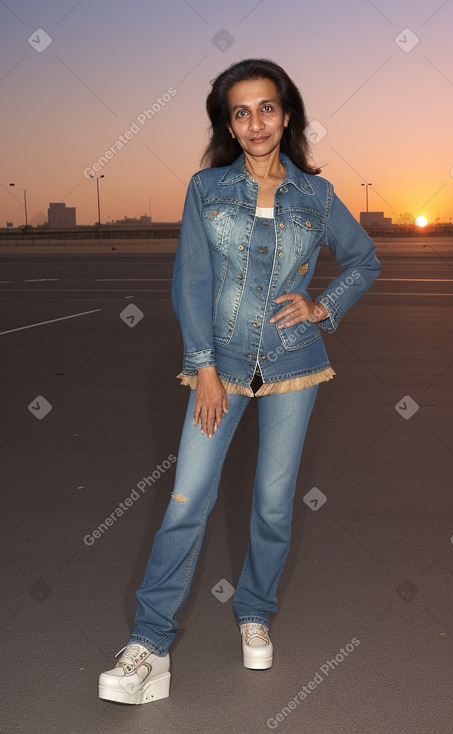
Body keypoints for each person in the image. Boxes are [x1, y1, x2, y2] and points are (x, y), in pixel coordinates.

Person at [98, 58, 380, 705]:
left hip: (295, 364)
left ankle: (253, 611)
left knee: (274, 505)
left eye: (267, 107)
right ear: (228, 123)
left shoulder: (316, 195)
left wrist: (322, 306)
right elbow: (191, 281)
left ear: (287, 114)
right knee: (186, 500)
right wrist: (203, 368)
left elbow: (363, 259)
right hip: (217, 365)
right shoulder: (206, 188)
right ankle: (149, 644)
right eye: (240, 111)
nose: (256, 121)